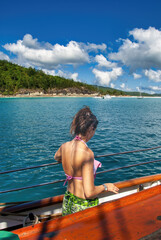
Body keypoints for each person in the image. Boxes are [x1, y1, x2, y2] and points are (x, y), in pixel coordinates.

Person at [54, 106, 119, 216]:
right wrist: (106, 186)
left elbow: (56, 157)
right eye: (94, 130)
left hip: (69, 199)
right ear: (90, 129)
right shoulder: (87, 153)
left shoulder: (64, 146)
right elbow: (89, 193)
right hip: (82, 205)